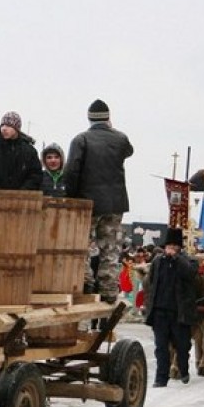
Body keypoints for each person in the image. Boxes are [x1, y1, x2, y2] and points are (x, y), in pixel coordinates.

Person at [65, 99, 134, 303]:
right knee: (110, 246)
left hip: (88, 202)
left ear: (89, 118)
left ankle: (86, 282)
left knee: (83, 244)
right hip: (115, 203)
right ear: (108, 118)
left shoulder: (81, 140)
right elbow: (129, 151)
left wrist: (73, 196)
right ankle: (109, 288)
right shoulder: (120, 138)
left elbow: (71, 171)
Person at [143, 228, 198, 387]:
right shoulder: (157, 262)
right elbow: (151, 281)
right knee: (161, 347)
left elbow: (190, 274)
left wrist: (177, 259)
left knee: (182, 346)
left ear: (180, 248)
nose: (171, 249)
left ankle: (183, 370)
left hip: (180, 312)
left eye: (174, 246)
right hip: (160, 311)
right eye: (169, 246)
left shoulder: (189, 261)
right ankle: (161, 379)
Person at [0, 111, 42, 190]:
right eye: (2, 125)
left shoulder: (29, 151)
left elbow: (35, 175)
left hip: (22, 199)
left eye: (8, 126)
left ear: (17, 128)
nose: (4, 129)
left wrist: (22, 193)